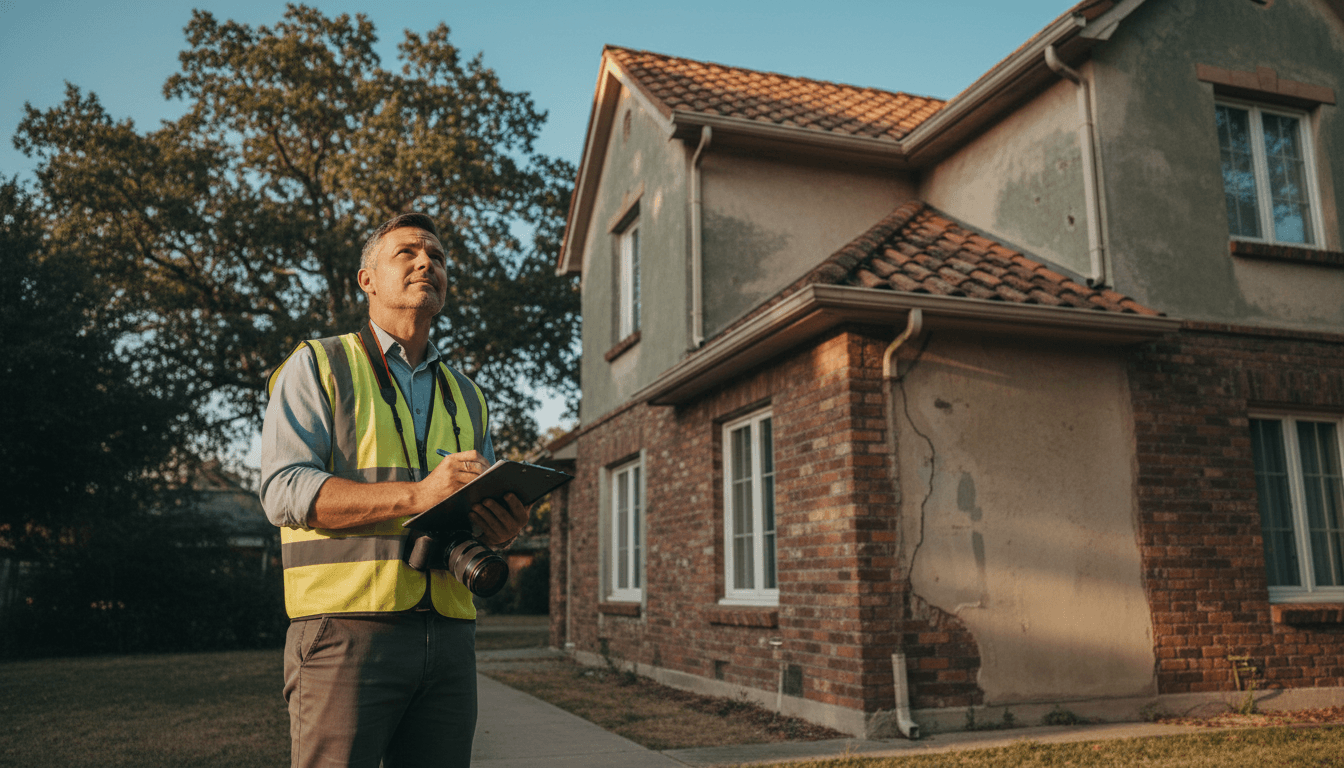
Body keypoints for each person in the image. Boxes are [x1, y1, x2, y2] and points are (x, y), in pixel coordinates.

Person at [259, 212, 529, 768]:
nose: (427, 262)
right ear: (368, 280)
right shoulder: (318, 365)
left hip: (451, 635)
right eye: (407, 252)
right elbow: (283, 489)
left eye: (438, 256)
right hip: (345, 633)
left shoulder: (470, 395)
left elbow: (466, 506)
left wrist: (499, 525)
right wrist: (416, 496)